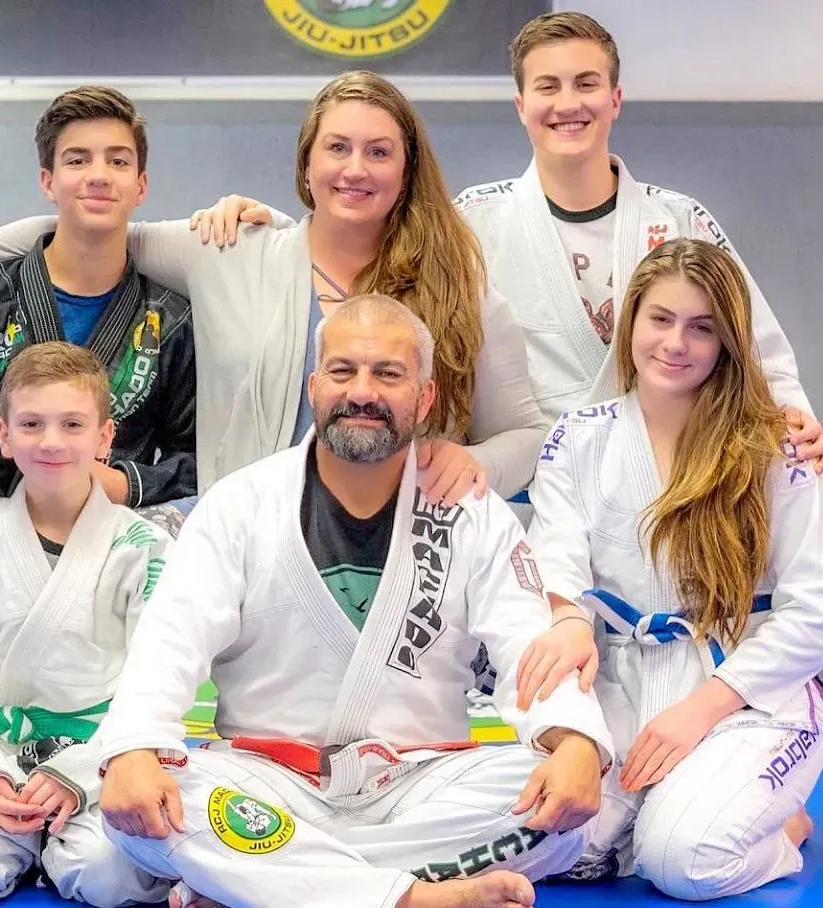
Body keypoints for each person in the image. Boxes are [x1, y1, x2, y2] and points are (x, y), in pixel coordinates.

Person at [93, 295, 613, 908]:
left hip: (419, 784)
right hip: (268, 781)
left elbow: (531, 646)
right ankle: (413, 898)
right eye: (343, 371)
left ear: (425, 397)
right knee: (146, 808)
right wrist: (133, 746)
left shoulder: (473, 514)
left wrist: (575, 740)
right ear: (314, 387)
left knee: (556, 811)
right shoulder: (240, 504)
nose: (362, 391)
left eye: (388, 374)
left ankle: (264, 880)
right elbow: (169, 641)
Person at [0, 71, 548, 518]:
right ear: (306, 164)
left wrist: (480, 465)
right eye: (337, 148)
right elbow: (96, 224)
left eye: (378, 152)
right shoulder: (230, 252)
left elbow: (525, 433)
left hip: (399, 546)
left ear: (406, 170)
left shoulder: (457, 288)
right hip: (248, 550)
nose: (355, 169)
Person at [517, 238, 823, 900]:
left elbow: (815, 613)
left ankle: (783, 829)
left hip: (744, 693)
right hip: (623, 683)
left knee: (682, 859)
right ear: (631, 319)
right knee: (547, 843)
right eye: (660, 319)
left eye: (701, 328)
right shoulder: (578, 436)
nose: (676, 344)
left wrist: (700, 710)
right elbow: (555, 556)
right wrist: (569, 618)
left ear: (728, 341)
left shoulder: (775, 447)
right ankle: (647, 820)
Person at [453, 11, 821, 466]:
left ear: (615, 99)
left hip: (668, 480)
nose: (567, 104)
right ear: (520, 106)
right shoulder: (472, 223)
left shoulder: (680, 219)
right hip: (527, 490)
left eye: (586, 84)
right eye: (548, 87)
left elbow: (758, 349)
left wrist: (792, 414)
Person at [0, 342, 171, 906]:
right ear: (4, 435)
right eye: (31, 424)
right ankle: (10, 833)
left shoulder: (145, 548)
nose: (52, 441)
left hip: (100, 756)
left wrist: (81, 771)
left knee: (112, 875)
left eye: (72, 424)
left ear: (105, 438)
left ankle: (56, 852)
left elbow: (160, 677)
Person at [0, 85, 197, 589]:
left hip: (99, 572)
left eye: (118, 161)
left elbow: (196, 461)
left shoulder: (171, 322)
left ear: (141, 185)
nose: (98, 175)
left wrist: (126, 484)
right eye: (77, 159)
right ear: (48, 181)